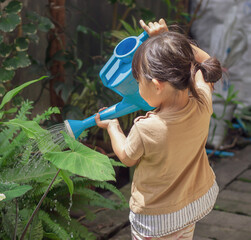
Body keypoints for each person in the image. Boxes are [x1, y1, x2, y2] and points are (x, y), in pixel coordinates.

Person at [95, 19, 222, 239]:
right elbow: (208, 62)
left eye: (137, 81)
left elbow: (126, 156)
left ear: (156, 85)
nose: (137, 87)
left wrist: (113, 127)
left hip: (157, 221)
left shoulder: (146, 129)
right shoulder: (202, 101)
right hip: (192, 206)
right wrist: (168, 39)